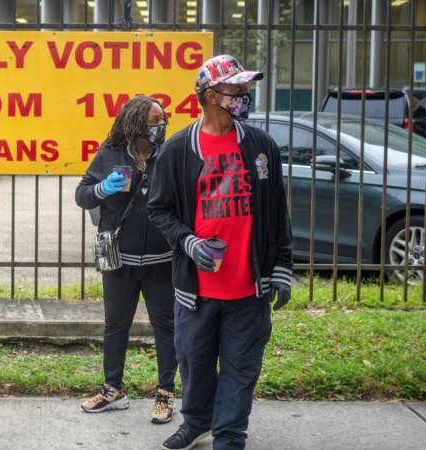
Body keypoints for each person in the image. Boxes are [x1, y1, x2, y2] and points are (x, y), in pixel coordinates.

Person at [146, 55, 294, 449]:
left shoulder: (260, 145)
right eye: (237, 90)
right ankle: (197, 422)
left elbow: (277, 208)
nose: (245, 96)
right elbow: (159, 209)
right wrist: (189, 242)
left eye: (245, 89)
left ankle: (229, 435)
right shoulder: (178, 149)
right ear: (212, 96)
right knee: (194, 364)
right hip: (196, 290)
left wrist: (281, 264)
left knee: (240, 369)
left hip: (249, 287)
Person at [75, 95, 178, 424]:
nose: (160, 127)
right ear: (135, 123)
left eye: (163, 120)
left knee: (166, 326)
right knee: (115, 325)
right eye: (153, 122)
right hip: (117, 257)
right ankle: (113, 390)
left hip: (161, 258)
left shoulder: (170, 154)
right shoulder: (110, 154)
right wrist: (103, 189)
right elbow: (82, 194)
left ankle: (165, 394)